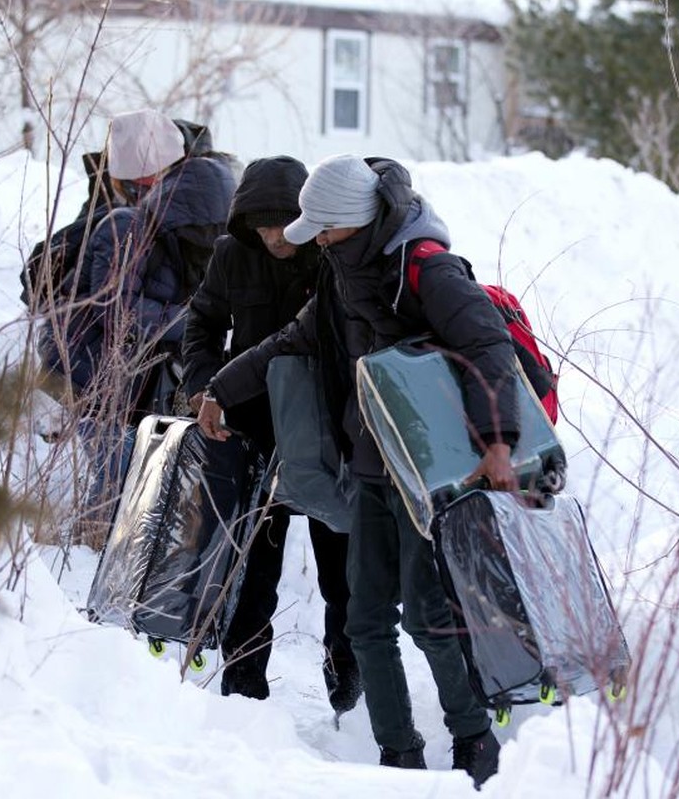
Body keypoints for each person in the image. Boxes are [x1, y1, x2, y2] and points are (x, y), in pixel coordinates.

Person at [196, 154, 514, 788]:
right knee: (367, 618)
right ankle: (398, 757)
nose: (312, 238)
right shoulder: (339, 272)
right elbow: (291, 340)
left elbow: (488, 345)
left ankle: (474, 740)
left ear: (348, 222)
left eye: (322, 228)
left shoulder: (425, 267)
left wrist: (498, 440)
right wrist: (221, 389)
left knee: (426, 614)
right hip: (371, 464)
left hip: (432, 469)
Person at [181, 156, 360, 711]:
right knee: (252, 576)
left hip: (328, 437)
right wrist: (203, 384)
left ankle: (347, 693)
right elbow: (202, 322)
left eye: (280, 224)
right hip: (253, 432)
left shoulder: (330, 252)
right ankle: (243, 696)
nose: (272, 237)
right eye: (259, 227)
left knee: (343, 579)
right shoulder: (232, 256)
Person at [47, 108, 236, 545]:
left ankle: (92, 566)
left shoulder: (131, 222)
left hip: (109, 379)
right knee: (128, 485)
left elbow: (120, 314)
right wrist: (197, 322)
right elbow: (123, 313)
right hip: (115, 375)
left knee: (118, 485)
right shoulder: (195, 208)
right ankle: (96, 570)